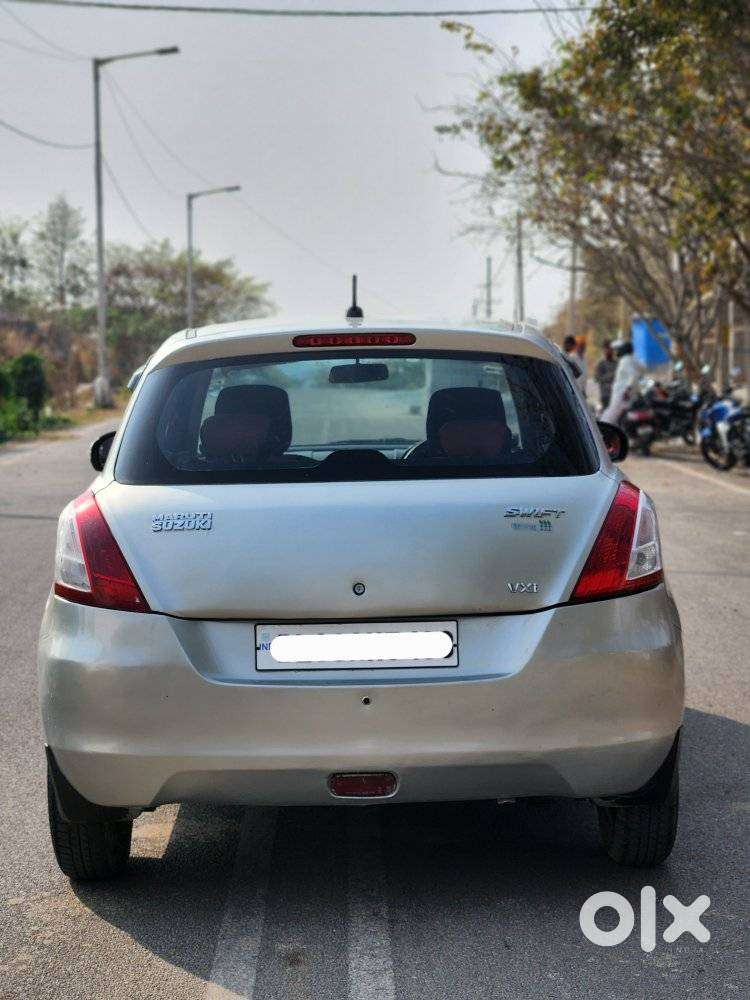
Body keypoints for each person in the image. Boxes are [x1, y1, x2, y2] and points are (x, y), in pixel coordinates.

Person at [601, 340, 643, 425]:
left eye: (618, 349)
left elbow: (633, 375)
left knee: (611, 415)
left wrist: (628, 389)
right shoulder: (631, 359)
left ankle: (602, 431)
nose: (616, 352)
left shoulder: (626, 360)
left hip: (622, 393)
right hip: (624, 393)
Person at [594, 340, 617, 410]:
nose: (609, 351)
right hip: (606, 395)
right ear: (604, 350)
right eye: (607, 349)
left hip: (615, 394)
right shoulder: (601, 364)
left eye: (611, 349)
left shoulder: (616, 363)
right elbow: (597, 378)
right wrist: (611, 375)